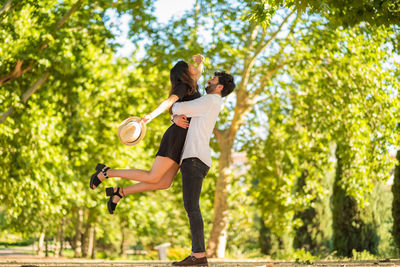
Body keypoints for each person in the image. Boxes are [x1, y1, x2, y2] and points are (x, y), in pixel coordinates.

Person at [89, 55, 205, 214]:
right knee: (153, 176)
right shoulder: (183, 86)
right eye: (189, 65)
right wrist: (151, 116)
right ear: (185, 72)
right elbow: (168, 102)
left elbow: (198, 71)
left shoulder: (194, 86)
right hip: (177, 137)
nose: (193, 66)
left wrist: (200, 62)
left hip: (186, 142)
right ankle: (106, 172)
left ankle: (120, 192)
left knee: (164, 183)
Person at [171, 71, 235, 266]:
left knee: (192, 206)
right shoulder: (212, 102)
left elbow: (178, 106)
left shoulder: (210, 100)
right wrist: (176, 118)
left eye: (213, 79)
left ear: (220, 87)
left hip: (194, 158)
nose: (209, 80)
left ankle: (198, 256)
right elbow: (183, 113)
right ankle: (198, 255)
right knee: (192, 206)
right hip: (197, 157)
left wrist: (174, 111)